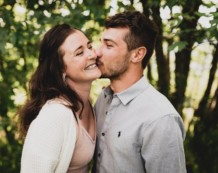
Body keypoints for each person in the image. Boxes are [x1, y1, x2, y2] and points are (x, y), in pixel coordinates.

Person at [93, 11, 187, 173]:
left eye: (109, 45)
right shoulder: (103, 99)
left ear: (137, 54)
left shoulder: (160, 119)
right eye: (101, 43)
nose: (97, 52)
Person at [19, 24, 101, 173]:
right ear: (60, 68)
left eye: (89, 46)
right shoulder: (55, 115)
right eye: (79, 53)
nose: (92, 54)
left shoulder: (90, 104)